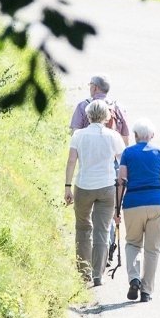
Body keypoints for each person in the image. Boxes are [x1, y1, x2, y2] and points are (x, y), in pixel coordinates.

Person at [116, 118, 160, 303]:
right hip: (157, 203)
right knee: (152, 249)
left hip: (133, 203)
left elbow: (121, 181)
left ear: (135, 136)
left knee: (133, 243)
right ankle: (146, 291)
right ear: (151, 136)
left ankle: (134, 278)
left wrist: (117, 208)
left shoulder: (127, 153)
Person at [64, 99, 125, 287]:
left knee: (83, 228)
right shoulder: (113, 136)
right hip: (107, 187)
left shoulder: (79, 135)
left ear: (88, 115)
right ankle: (98, 275)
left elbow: (72, 161)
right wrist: (122, 188)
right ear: (107, 116)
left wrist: (67, 186)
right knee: (102, 230)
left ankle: (84, 273)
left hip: (83, 185)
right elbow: (123, 163)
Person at [69, 74, 129, 140]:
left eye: (90, 84)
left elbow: (75, 134)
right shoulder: (118, 108)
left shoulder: (83, 106)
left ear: (95, 87)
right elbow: (126, 139)